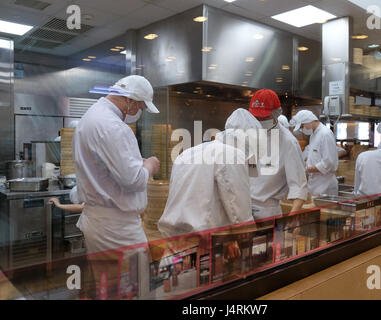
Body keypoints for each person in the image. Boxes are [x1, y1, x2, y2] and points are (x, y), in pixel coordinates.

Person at [72, 75, 160, 299]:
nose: (138, 111)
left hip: (99, 221)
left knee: (109, 287)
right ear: (130, 100)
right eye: (140, 105)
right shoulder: (113, 127)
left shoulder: (90, 117)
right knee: (135, 288)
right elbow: (133, 180)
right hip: (117, 226)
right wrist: (149, 165)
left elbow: (108, 171)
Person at [157, 108, 260, 237]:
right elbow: (240, 213)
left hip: (172, 239)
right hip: (204, 242)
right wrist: (252, 237)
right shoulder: (233, 155)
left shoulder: (189, 153)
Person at [248, 89, 308, 219]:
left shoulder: (288, 142)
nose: (259, 120)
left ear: (276, 114)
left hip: (267, 213)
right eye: (256, 117)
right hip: (244, 210)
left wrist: (294, 217)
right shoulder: (251, 134)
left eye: (264, 117)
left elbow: (298, 186)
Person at [290, 110, 339, 196]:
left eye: (302, 126)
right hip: (315, 183)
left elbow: (329, 163)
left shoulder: (325, 134)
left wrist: (307, 169)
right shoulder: (313, 136)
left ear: (309, 121)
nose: (302, 129)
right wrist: (305, 164)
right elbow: (314, 157)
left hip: (325, 185)